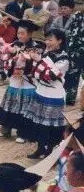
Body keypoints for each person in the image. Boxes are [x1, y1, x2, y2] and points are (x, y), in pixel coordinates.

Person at [20, 29, 69, 159]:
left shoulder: (63, 59)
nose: (47, 42)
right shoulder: (46, 54)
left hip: (54, 95)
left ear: (60, 41)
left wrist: (39, 60)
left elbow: (50, 76)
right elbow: (34, 72)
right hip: (41, 91)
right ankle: (40, 148)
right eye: (46, 39)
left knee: (51, 125)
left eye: (50, 40)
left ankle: (50, 151)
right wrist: (31, 60)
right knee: (40, 123)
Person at [0, 20, 42, 143]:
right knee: (9, 104)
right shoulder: (15, 44)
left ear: (29, 34)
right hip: (15, 79)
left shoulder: (36, 47)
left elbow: (37, 63)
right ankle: (5, 129)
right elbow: (7, 57)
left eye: (22, 33)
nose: (19, 36)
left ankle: (22, 133)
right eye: (18, 33)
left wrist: (26, 63)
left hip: (27, 81)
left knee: (24, 108)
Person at [51, 0, 84, 105]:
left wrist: (62, 32)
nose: (63, 10)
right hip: (71, 48)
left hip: (79, 48)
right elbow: (55, 29)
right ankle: (68, 97)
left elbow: (70, 33)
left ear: (71, 9)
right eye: (62, 8)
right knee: (71, 74)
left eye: (66, 8)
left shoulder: (76, 17)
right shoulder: (78, 16)